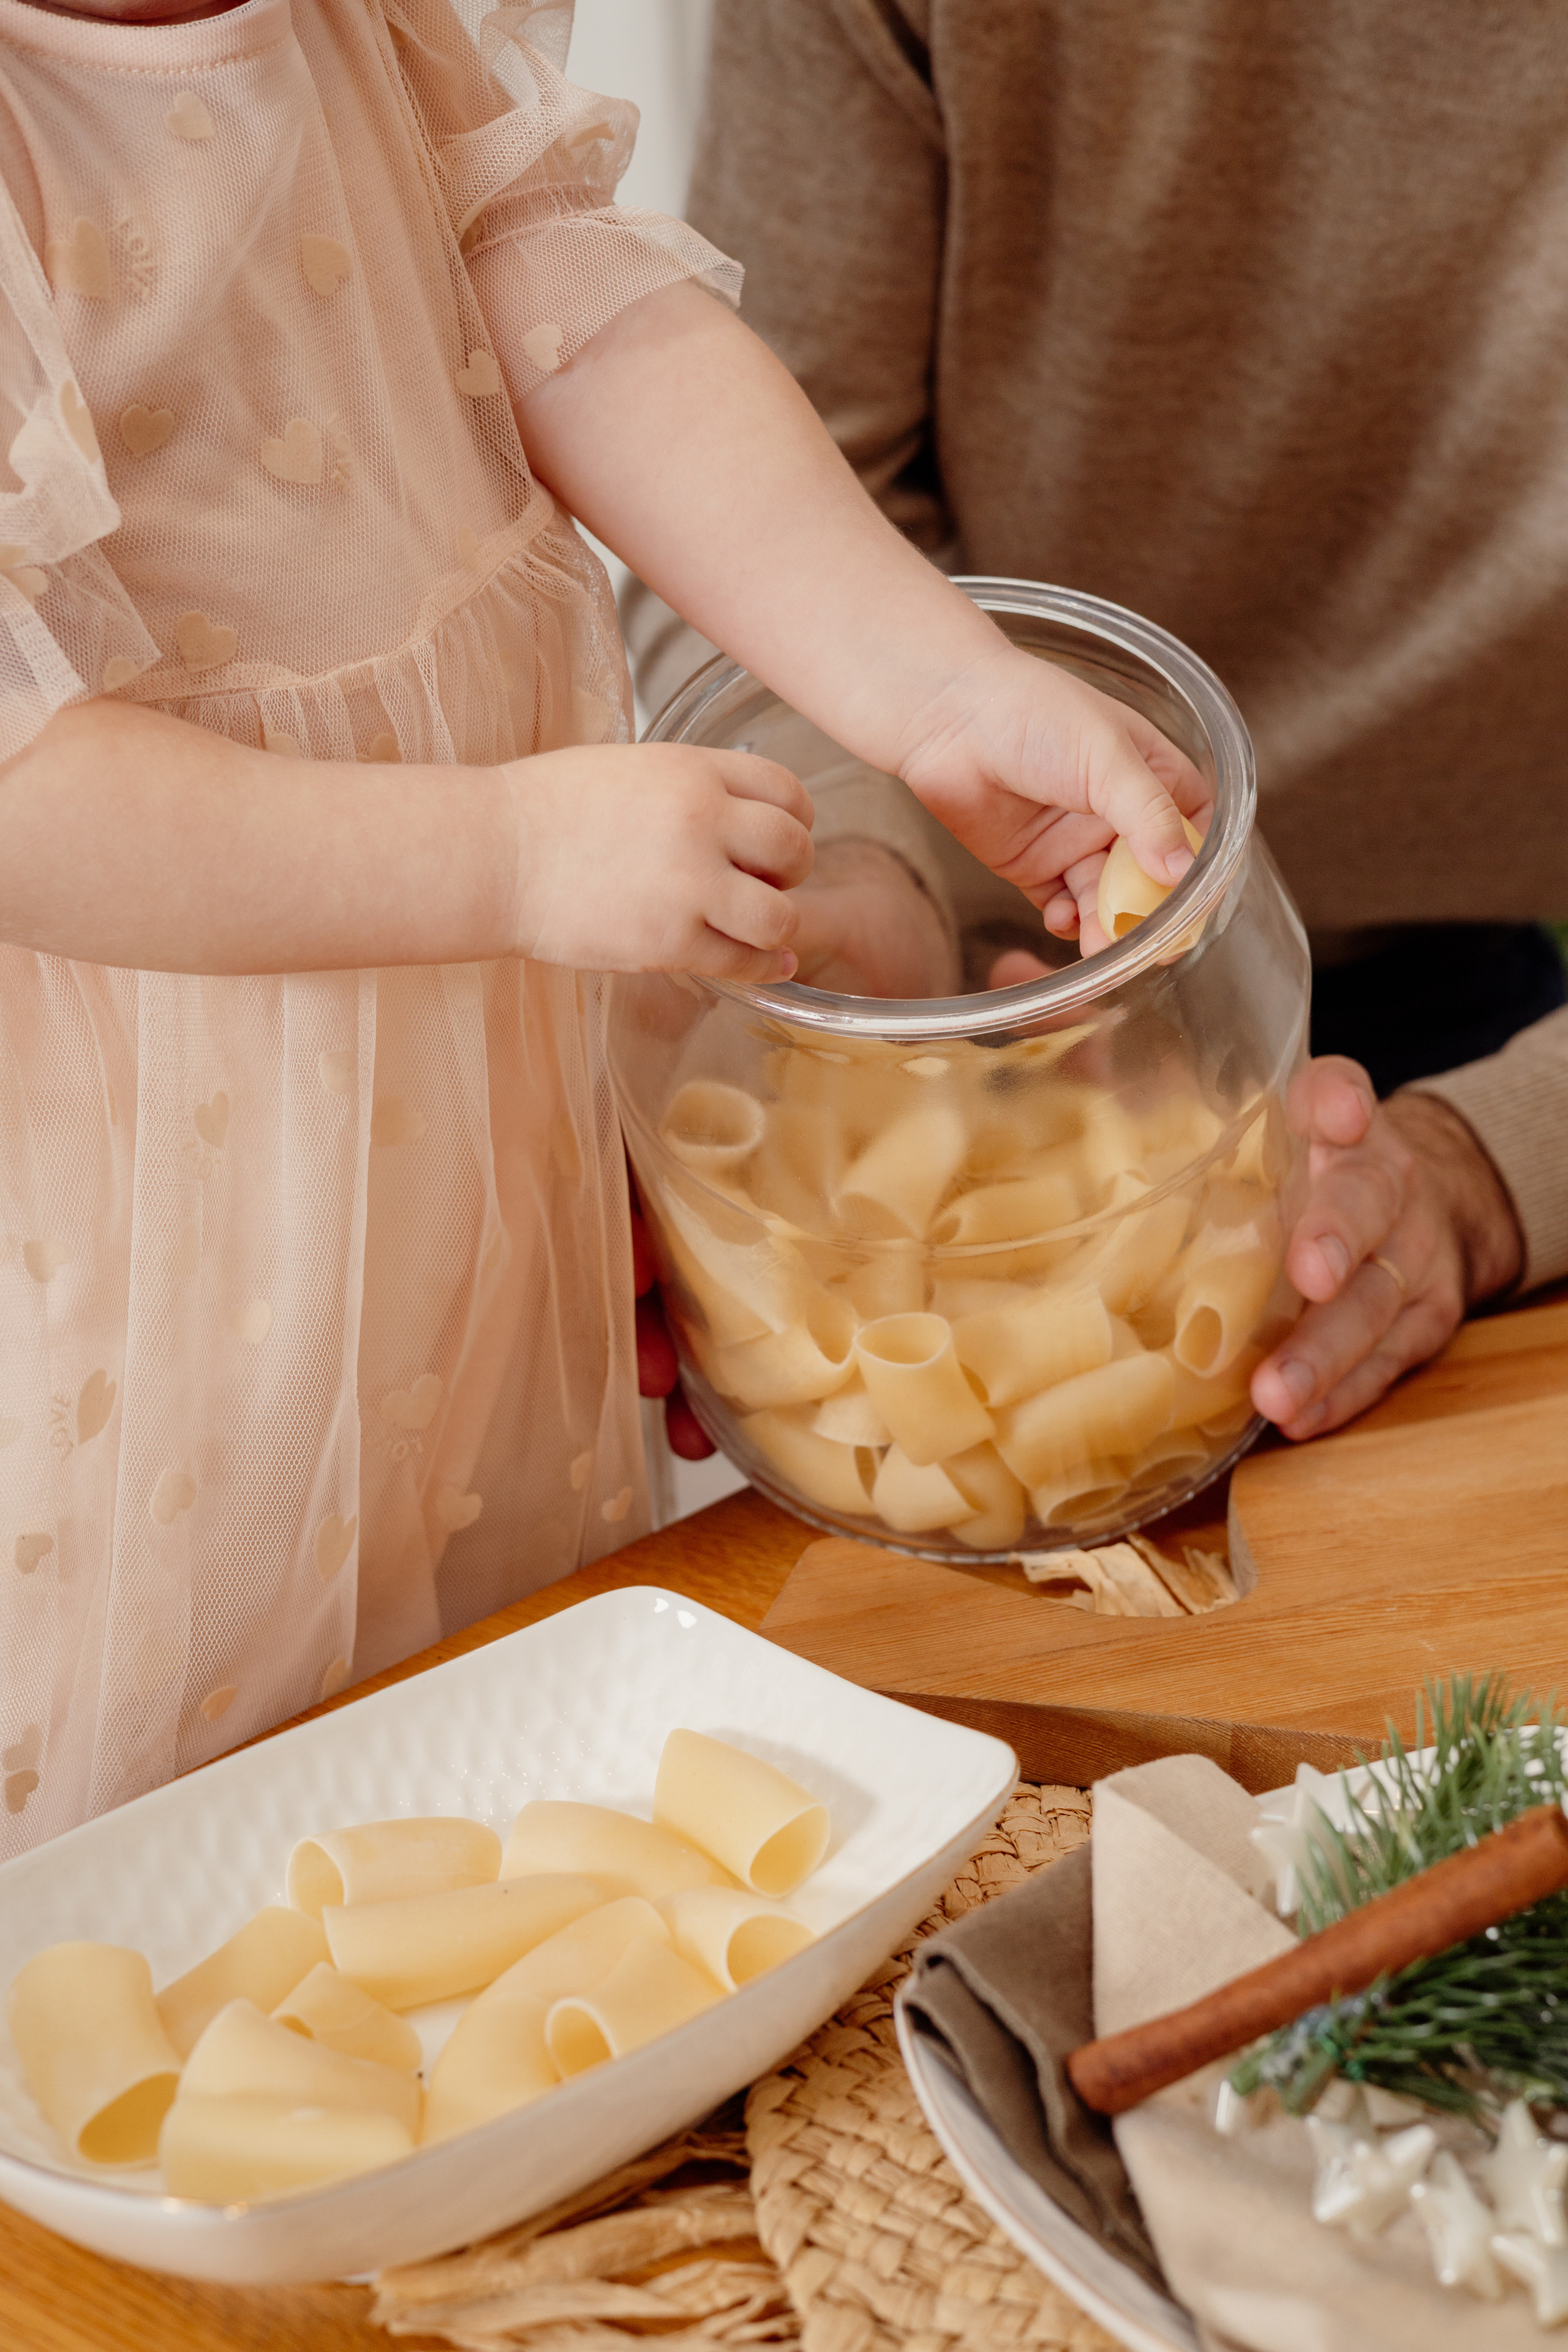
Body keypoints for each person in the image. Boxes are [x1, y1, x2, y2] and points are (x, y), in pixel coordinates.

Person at [0, 0, 1226, 1848]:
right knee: (195, 1750)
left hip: (462, 1105)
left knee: (489, 1657)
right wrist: (505, 854)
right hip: (172, 1195)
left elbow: (596, 331)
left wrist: (940, 692)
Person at [625, 0, 1568, 1457]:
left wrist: (1492, 1161)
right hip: (938, 989)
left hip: (1484, 1010)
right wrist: (858, 870)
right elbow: (728, 525)